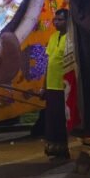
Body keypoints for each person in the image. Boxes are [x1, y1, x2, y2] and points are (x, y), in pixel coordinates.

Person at [39, 8, 69, 158]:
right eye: (55, 20)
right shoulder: (53, 37)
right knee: (51, 119)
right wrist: (43, 87)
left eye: (60, 20)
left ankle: (63, 149)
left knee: (61, 119)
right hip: (51, 86)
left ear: (68, 21)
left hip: (64, 86)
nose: (56, 23)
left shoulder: (71, 39)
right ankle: (53, 148)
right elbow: (49, 63)